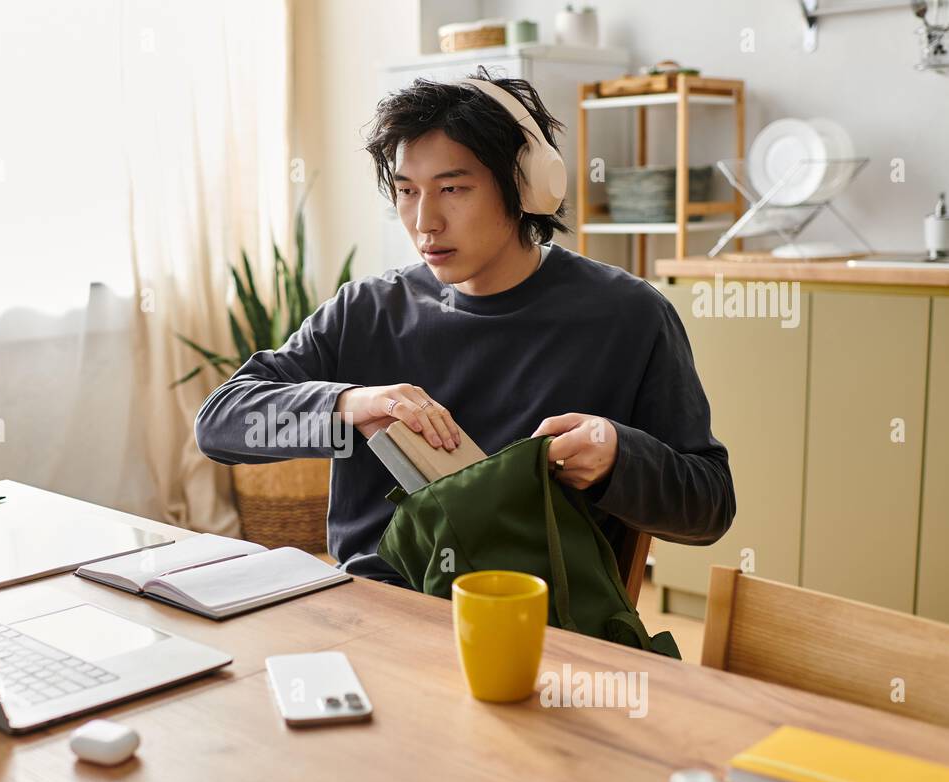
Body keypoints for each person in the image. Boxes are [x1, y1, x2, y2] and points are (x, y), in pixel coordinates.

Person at [194, 67, 734, 586]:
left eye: (452, 189)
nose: (424, 222)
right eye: (407, 191)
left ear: (525, 186)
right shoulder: (367, 310)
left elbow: (710, 507)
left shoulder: (627, 316)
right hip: (373, 607)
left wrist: (618, 458)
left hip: (528, 618)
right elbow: (218, 424)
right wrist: (349, 405)